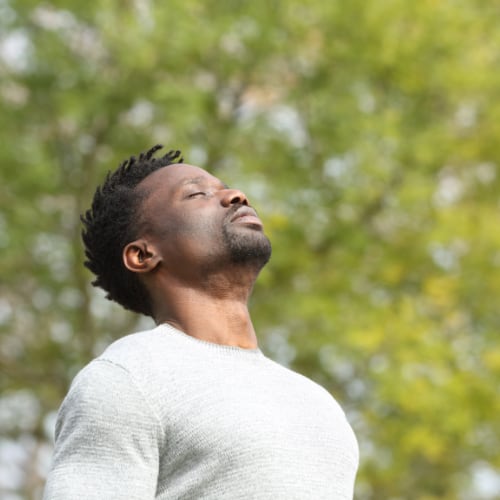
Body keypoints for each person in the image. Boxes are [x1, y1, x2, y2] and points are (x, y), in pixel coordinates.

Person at [43, 145, 359, 499]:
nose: (235, 196)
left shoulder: (315, 401)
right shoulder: (127, 379)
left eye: (228, 188)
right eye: (197, 194)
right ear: (143, 254)